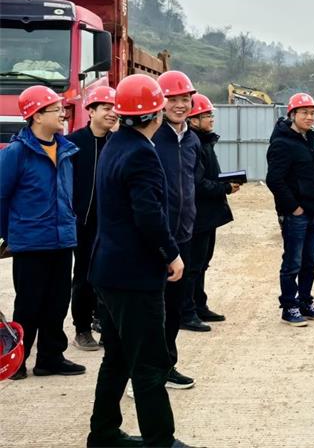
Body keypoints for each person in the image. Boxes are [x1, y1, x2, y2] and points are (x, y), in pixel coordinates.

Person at [86, 73, 190, 448]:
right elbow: (148, 215)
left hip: (108, 271)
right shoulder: (142, 153)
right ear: (156, 114)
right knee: (149, 364)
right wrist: (171, 253)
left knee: (116, 357)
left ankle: (103, 433)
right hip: (133, 277)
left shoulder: (115, 144)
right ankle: (160, 440)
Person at [0, 85, 84, 380]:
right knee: (29, 304)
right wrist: (8, 234)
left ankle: (51, 358)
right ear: (36, 116)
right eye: (56, 110)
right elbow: (1, 196)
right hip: (31, 243)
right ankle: (18, 361)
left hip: (62, 240)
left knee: (57, 303)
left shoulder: (66, 150)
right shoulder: (17, 153)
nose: (63, 114)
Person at [152, 70, 201, 389]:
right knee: (152, 310)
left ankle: (167, 365)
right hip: (156, 237)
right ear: (160, 102)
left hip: (183, 235)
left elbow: (193, 182)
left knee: (173, 308)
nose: (180, 105)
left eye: (185, 99)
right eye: (173, 99)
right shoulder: (153, 137)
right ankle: (144, 373)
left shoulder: (192, 139)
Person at [266, 92, 314, 326]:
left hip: (312, 212)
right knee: (292, 262)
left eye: (312, 113)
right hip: (296, 215)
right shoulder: (282, 143)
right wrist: (294, 207)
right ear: (292, 114)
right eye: (304, 112)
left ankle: (304, 302)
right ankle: (289, 307)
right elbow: (274, 179)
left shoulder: (308, 139)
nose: (309, 117)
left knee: (309, 260)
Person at [66, 85, 118, 351]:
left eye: (115, 108)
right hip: (82, 223)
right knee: (84, 277)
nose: (112, 113)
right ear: (91, 111)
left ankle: (106, 326)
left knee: (109, 276)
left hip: (110, 224)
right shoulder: (73, 144)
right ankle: (82, 329)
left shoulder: (117, 143)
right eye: (106, 108)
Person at [184, 93, 238, 326]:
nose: (211, 119)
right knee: (193, 264)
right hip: (198, 215)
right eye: (207, 115)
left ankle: (199, 305)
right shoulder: (193, 143)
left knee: (202, 262)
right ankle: (187, 312)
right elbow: (197, 183)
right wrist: (224, 187)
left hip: (208, 214)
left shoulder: (203, 141)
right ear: (193, 119)